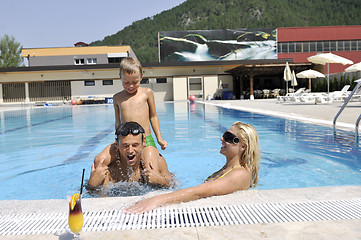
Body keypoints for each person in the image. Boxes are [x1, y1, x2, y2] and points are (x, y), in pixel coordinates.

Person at [125, 121, 260, 214]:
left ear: (243, 147)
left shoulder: (240, 174)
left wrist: (156, 200)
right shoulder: (227, 169)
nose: (222, 139)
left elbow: (200, 191)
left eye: (229, 137)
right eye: (225, 134)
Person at [93, 57, 168, 181]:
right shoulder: (117, 98)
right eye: (126, 82)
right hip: (124, 141)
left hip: (146, 139)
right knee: (99, 160)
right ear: (120, 78)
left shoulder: (147, 93)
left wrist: (159, 138)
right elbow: (118, 122)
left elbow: (153, 116)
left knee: (151, 168)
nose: (131, 86)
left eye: (135, 81)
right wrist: (118, 142)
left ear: (141, 77)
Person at [88, 122, 173, 188]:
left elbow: (173, 185)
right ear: (117, 144)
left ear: (143, 142)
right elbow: (99, 198)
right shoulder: (109, 170)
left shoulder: (157, 162)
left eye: (135, 145)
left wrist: (161, 181)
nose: (130, 150)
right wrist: (91, 185)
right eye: (125, 146)